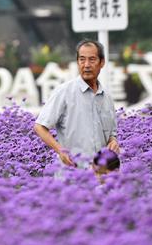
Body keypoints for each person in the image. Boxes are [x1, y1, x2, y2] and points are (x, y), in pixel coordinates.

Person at [33, 39, 119, 172]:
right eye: (82, 60)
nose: (86, 65)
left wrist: (113, 142)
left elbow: (111, 134)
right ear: (77, 62)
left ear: (102, 62)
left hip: (100, 176)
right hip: (72, 176)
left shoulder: (107, 98)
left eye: (92, 59)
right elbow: (40, 126)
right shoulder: (64, 92)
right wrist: (60, 150)